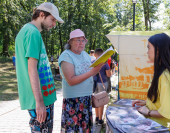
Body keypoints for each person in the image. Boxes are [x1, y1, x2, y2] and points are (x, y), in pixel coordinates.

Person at [15, 2, 64, 132]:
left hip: (41, 98)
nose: (53, 24)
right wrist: (40, 102)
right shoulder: (33, 33)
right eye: (52, 19)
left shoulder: (27, 30)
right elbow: (31, 69)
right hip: (41, 100)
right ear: (42, 15)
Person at [132, 33, 170, 133]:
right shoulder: (162, 73)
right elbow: (163, 100)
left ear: (158, 51)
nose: (147, 52)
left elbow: (167, 112)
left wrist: (147, 111)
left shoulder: (167, 76)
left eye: (149, 48)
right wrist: (147, 102)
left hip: (167, 129)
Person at [58, 29, 104, 132]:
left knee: (85, 129)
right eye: (78, 40)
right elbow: (71, 80)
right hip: (73, 101)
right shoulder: (66, 56)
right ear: (70, 42)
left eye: (83, 40)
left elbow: (89, 72)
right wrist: (92, 72)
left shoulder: (85, 55)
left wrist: (99, 65)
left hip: (86, 99)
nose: (81, 43)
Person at [93, 48, 112, 125]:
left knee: (96, 100)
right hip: (102, 83)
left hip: (94, 84)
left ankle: (97, 117)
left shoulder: (93, 62)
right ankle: (100, 120)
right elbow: (108, 74)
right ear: (102, 54)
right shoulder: (104, 63)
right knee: (101, 101)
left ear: (95, 54)